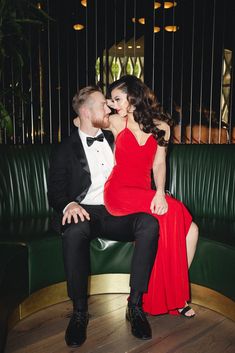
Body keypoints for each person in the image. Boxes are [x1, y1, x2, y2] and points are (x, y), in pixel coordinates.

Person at [47, 86, 160, 347]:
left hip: (118, 209)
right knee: (73, 229)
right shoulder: (65, 148)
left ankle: (135, 306)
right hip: (87, 211)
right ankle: (79, 313)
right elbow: (55, 191)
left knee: (148, 224)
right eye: (102, 105)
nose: (108, 109)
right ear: (86, 112)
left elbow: (148, 128)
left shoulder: (115, 135)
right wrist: (69, 205)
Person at [104, 75, 198, 317]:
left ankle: (168, 294)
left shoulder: (162, 127)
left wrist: (159, 193)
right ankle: (177, 299)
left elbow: (159, 165)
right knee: (175, 211)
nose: (115, 104)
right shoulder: (116, 121)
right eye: (112, 100)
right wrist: (106, 105)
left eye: (118, 98)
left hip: (145, 193)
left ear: (133, 96)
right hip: (118, 192)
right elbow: (78, 120)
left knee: (190, 228)